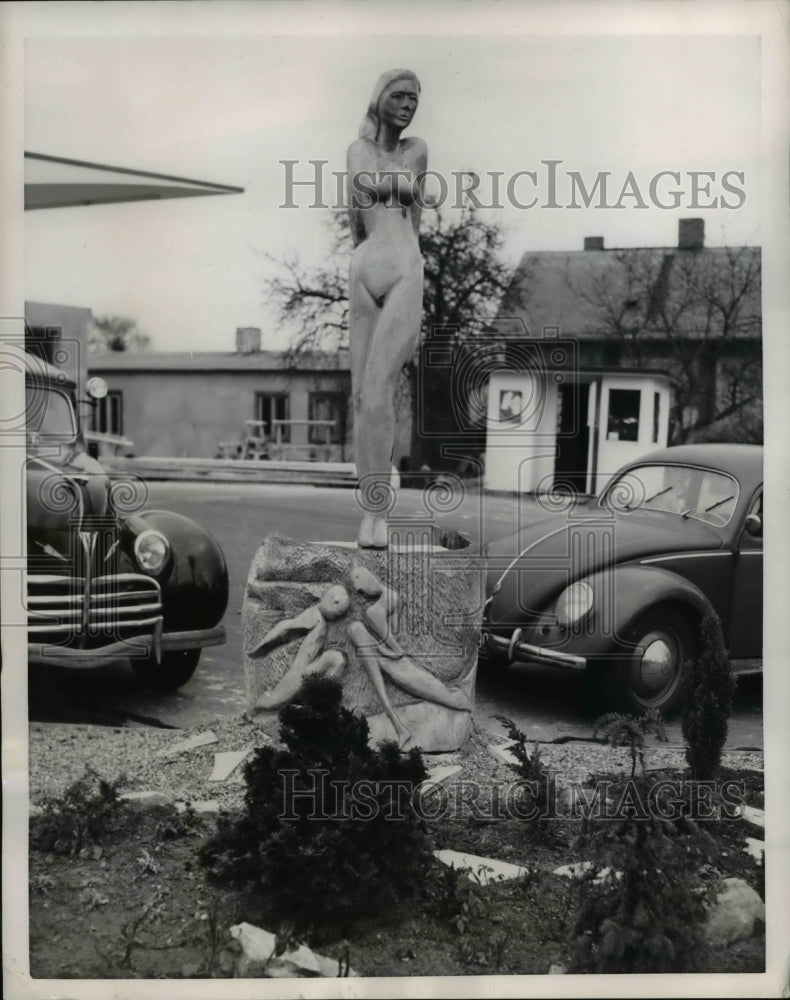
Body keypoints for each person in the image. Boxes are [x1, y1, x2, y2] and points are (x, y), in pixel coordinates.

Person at [347, 69, 427, 548]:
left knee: (381, 388)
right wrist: (365, 261)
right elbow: (355, 219)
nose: (408, 105)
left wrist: (408, 262)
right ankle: (366, 507)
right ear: (378, 99)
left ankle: (380, 511)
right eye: (398, 96)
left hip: (404, 268)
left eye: (414, 99)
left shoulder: (416, 151)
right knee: (361, 395)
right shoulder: (357, 150)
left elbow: (415, 222)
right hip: (364, 268)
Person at [348, 566, 471, 749]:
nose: (360, 590)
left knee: (444, 695)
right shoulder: (386, 600)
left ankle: (402, 726)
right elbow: (396, 645)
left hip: (399, 663)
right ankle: (399, 726)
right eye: (357, 586)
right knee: (356, 631)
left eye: (359, 580)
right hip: (394, 660)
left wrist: (383, 650)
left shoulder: (376, 610)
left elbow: (397, 649)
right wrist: (383, 650)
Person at [249, 585, 350, 711]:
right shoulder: (313, 616)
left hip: (311, 665)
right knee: (276, 699)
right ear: (332, 601)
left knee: (337, 659)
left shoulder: (321, 618)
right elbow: (286, 626)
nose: (335, 618)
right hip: (300, 670)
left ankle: (321, 702)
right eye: (337, 613)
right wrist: (263, 646)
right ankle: (253, 711)